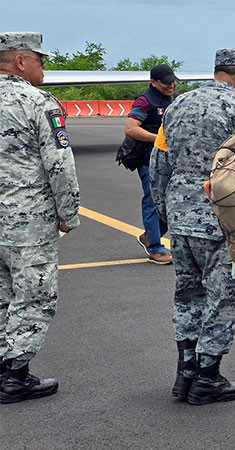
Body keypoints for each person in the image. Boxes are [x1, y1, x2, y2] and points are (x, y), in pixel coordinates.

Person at [151, 48, 235, 405]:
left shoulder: (176, 107)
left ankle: (185, 373)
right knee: (226, 296)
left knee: (188, 295)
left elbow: (159, 165)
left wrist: (166, 212)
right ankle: (208, 377)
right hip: (224, 219)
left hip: (181, 216)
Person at [0, 32, 80, 403]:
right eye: (39, 60)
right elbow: (59, 164)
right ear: (20, 61)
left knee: (3, 295)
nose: (43, 66)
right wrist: (68, 212)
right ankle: (15, 376)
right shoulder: (37, 102)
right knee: (34, 295)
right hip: (26, 221)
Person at [125, 63, 177, 264]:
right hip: (149, 160)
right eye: (165, 83)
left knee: (171, 202)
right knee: (153, 201)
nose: (170, 85)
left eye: (172, 81)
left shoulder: (176, 98)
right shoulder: (144, 102)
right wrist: (158, 139)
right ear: (153, 82)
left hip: (170, 160)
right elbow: (131, 129)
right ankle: (156, 248)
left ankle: (149, 236)